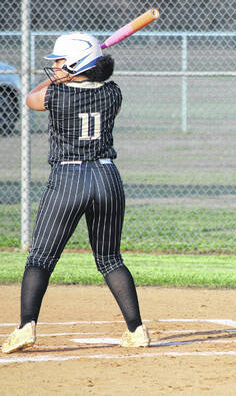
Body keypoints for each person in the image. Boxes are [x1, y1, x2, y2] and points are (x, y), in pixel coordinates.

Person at [1, 32, 150, 354]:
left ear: (74, 63)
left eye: (58, 62)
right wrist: (75, 73)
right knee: (110, 259)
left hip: (69, 177)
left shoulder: (55, 95)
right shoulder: (113, 93)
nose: (54, 67)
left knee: (40, 257)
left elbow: (30, 99)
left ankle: (26, 326)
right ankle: (137, 329)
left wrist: (59, 81)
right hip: (108, 176)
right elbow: (96, 95)